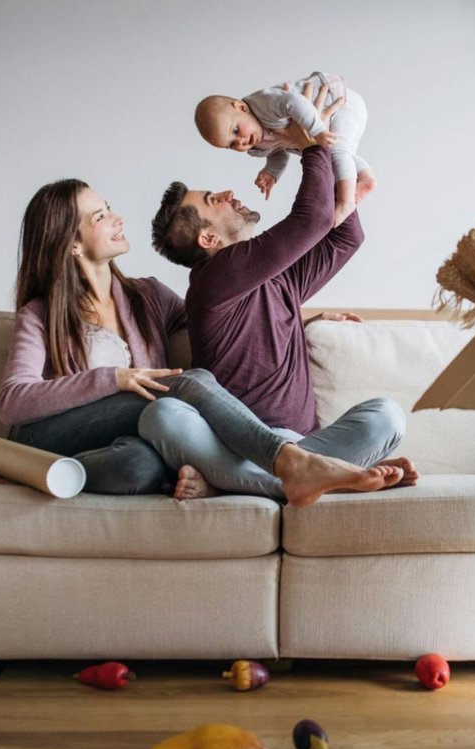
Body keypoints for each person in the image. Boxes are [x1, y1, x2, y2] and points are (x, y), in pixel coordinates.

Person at [0, 175, 403, 505]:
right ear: (71, 244)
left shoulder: (148, 296)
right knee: (186, 385)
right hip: (50, 435)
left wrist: (304, 322)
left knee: (141, 466)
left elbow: (223, 322)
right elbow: (12, 402)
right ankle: (292, 463)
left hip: (127, 442)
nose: (116, 218)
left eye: (109, 208)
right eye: (99, 216)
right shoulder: (40, 314)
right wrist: (114, 379)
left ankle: (20, 480)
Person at [149, 81, 417, 502]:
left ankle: (249, 481)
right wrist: (309, 142)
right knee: (164, 414)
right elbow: (313, 220)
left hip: (305, 444)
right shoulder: (213, 279)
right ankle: (320, 474)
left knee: (388, 415)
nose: (228, 194)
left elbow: (346, 237)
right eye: (213, 200)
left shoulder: (279, 279)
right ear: (208, 240)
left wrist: (325, 143)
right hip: (238, 446)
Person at [194, 70, 374, 228]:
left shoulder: (263, 104)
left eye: (235, 130)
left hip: (338, 102)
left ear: (241, 107)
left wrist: (318, 130)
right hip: (327, 122)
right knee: (339, 155)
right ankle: (365, 177)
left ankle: (346, 202)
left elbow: (294, 101)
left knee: (337, 151)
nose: (240, 141)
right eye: (231, 144)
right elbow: (278, 152)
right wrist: (272, 172)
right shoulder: (256, 147)